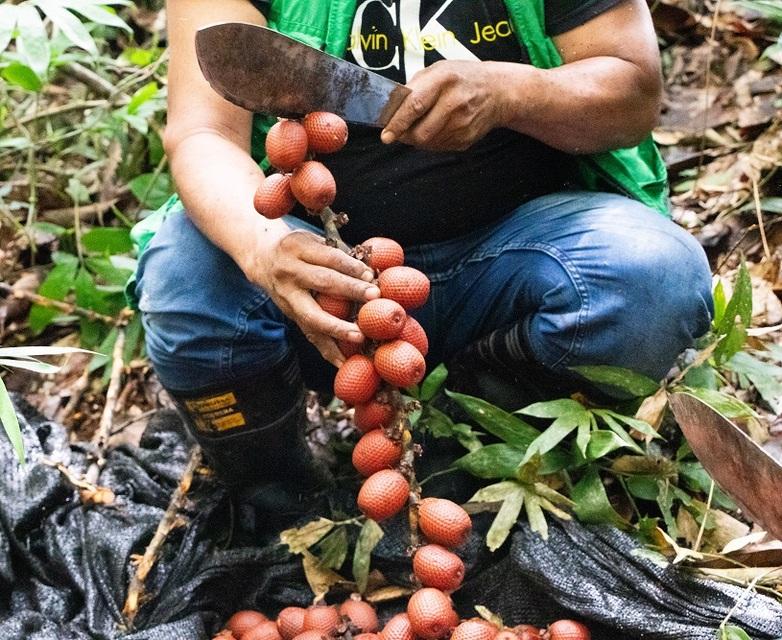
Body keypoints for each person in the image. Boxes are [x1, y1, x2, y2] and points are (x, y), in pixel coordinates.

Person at [131, 0, 713, 498]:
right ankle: (274, 497)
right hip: (328, 293)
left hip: (522, 264)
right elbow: (202, 132)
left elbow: (632, 95)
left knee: (649, 274)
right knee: (188, 276)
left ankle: (473, 455)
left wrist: (510, 91)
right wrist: (264, 249)